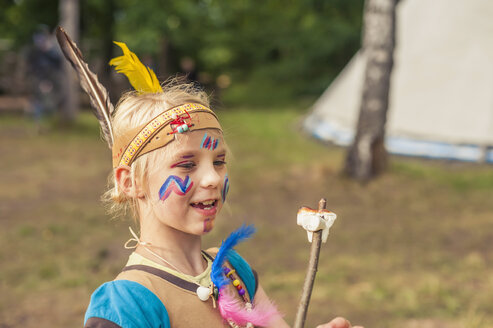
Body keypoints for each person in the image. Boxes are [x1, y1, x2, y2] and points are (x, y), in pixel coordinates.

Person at [75, 41, 362, 328]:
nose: (213, 178)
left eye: (219, 161)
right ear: (131, 182)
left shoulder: (233, 271)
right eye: (187, 164)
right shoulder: (127, 304)